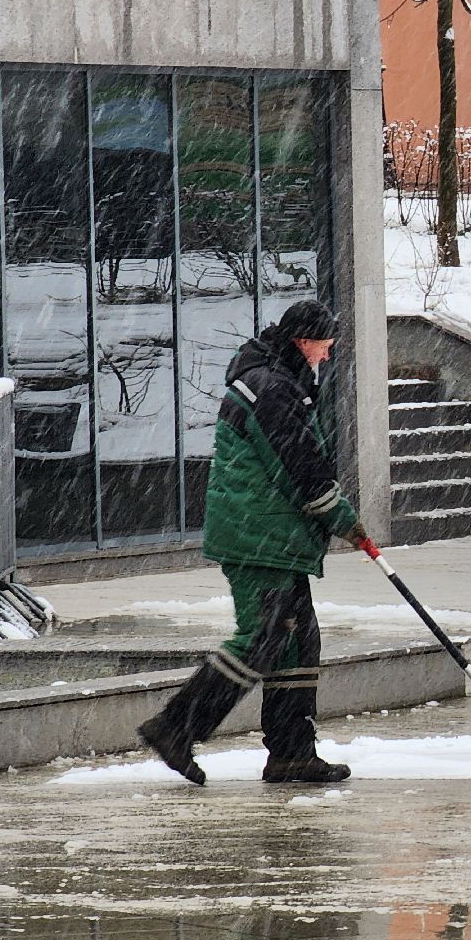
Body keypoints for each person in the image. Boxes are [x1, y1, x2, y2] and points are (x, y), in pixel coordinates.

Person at [137, 299, 368, 785]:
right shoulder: (271, 387)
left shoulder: (280, 380)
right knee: (262, 638)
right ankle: (176, 728)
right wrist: (345, 520)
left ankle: (292, 754)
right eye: (324, 346)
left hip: (275, 536)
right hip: (259, 537)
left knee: (296, 643)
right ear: (303, 342)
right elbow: (299, 464)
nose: (327, 355)